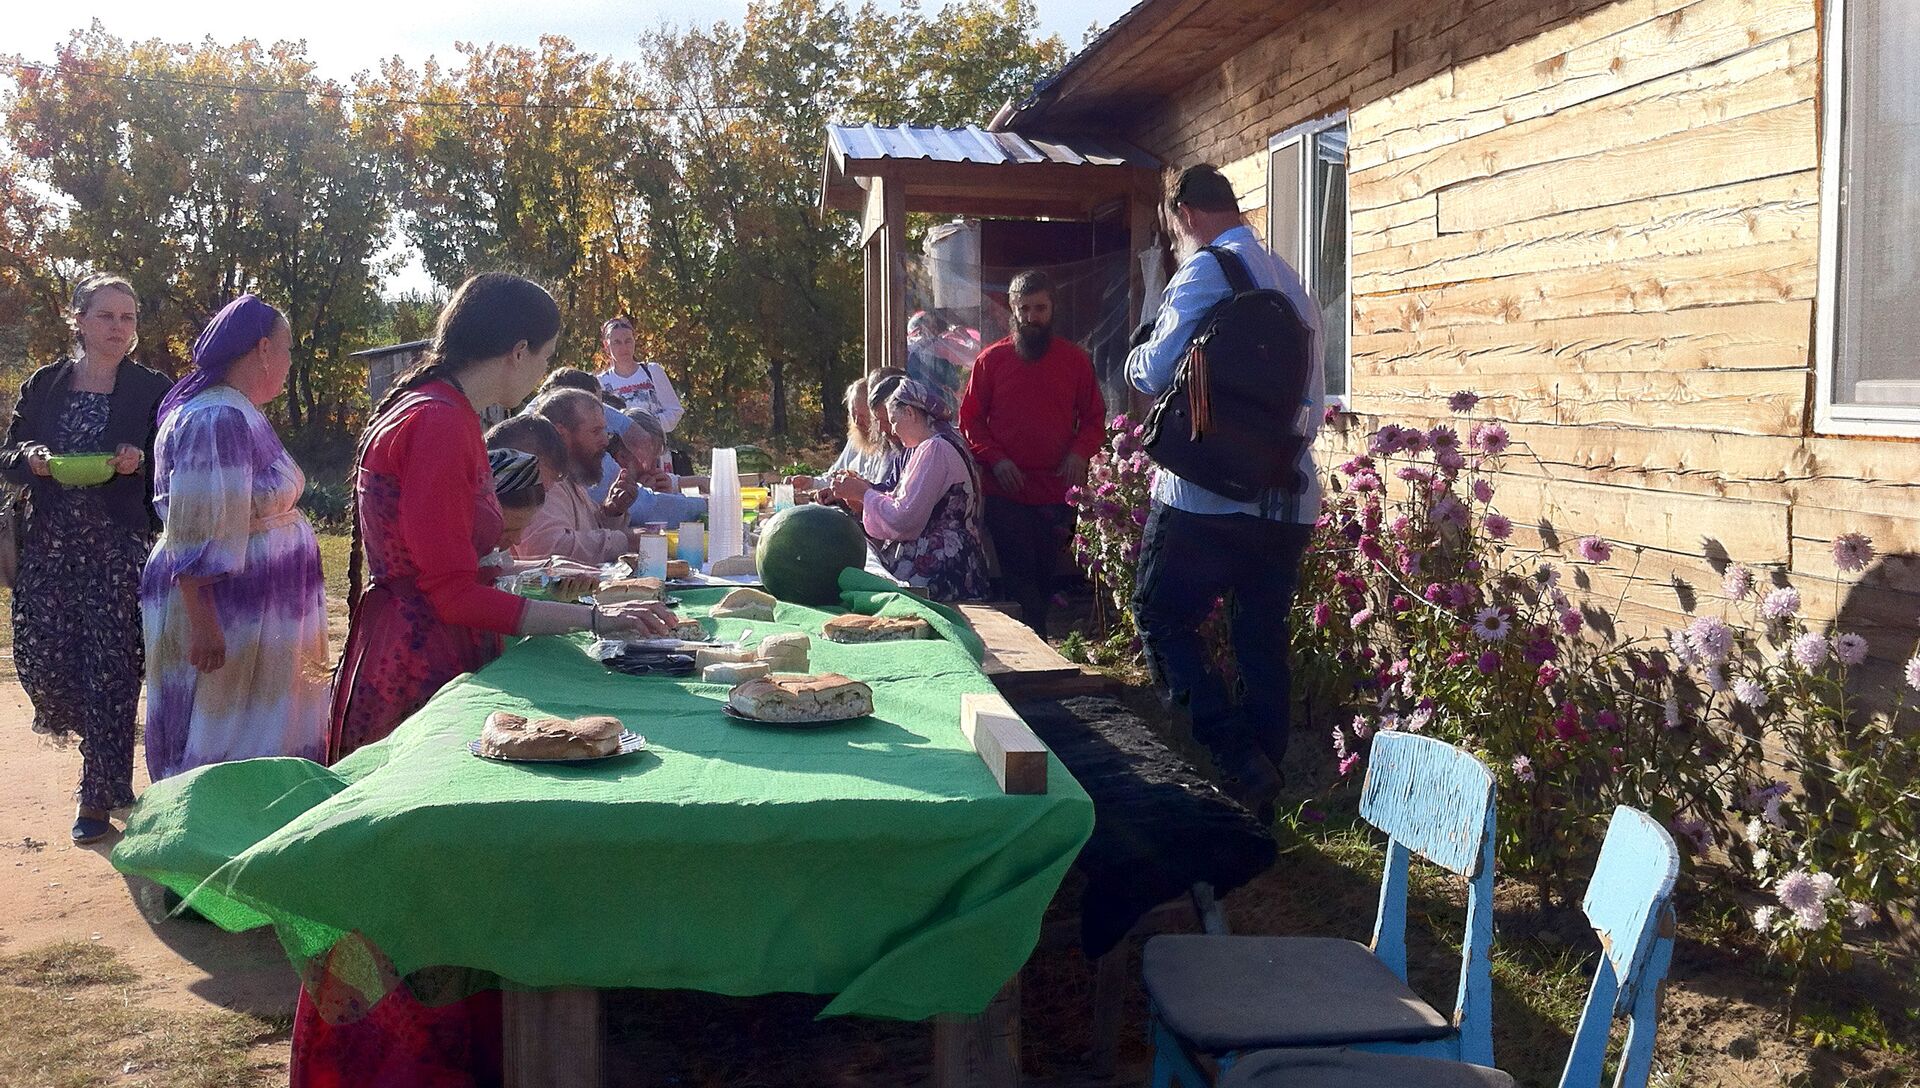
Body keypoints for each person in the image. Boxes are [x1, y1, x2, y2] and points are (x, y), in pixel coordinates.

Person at [307, 274, 672, 1088]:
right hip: (418, 664)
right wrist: (592, 620)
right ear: (515, 351)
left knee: (419, 874)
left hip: (410, 645)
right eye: (542, 358)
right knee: (422, 880)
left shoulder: (429, 408)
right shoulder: (442, 423)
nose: (539, 375)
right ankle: (407, 1067)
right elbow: (452, 590)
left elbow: (458, 561)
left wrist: (533, 573)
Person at [1125, 164, 1324, 813]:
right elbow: (1311, 406)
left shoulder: (1206, 269)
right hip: (1286, 497)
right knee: (1259, 637)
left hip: (1204, 495)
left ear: (1183, 215)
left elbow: (1153, 374)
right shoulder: (1292, 282)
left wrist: (1135, 351)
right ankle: (1265, 788)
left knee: (1161, 614)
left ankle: (1231, 758)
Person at [0, 273, 170, 844]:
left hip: (117, 548)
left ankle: (98, 795)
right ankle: (103, 744)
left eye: (128, 318)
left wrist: (139, 457)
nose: (119, 327)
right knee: (42, 662)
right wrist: (34, 457)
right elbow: (9, 454)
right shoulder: (46, 385)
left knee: (113, 672)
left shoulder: (151, 388)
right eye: (106, 316)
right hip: (48, 546)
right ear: (79, 320)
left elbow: (175, 457)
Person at [140, 295, 329, 783]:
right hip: (230, 614)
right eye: (287, 350)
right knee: (223, 734)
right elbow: (199, 523)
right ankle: (211, 846)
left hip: (253, 612)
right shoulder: (216, 417)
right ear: (264, 348)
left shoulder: (231, 411)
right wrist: (202, 621)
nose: (290, 364)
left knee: (252, 730)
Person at [959, 269, 1106, 636]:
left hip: (1057, 491)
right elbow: (971, 421)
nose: (1031, 317)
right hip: (1005, 489)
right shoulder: (990, 361)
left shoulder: (1075, 360)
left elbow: (1094, 419)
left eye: (1039, 308)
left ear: (1052, 308)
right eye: (1024, 308)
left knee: (1044, 576)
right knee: (1019, 575)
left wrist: (1079, 453)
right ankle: (1032, 649)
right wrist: (997, 458)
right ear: (1012, 308)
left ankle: (1036, 648)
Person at [830, 378, 988, 602]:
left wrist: (863, 494)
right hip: (955, 558)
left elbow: (904, 518)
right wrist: (864, 494)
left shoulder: (935, 449)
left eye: (893, 420)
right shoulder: (944, 442)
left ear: (910, 413)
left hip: (942, 567)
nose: (891, 430)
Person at [513, 387, 645, 564]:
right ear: (561, 433)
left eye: (605, 431)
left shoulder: (570, 478)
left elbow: (583, 534)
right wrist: (625, 541)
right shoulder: (541, 480)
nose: (605, 441)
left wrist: (610, 512)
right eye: (595, 431)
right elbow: (548, 548)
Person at [595, 407, 707, 526]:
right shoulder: (603, 476)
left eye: (657, 461)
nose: (655, 469)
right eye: (650, 460)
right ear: (622, 457)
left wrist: (666, 496)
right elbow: (649, 511)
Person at [595, 317, 683, 431]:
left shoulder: (653, 371)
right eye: (617, 342)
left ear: (634, 341)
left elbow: (675, 410)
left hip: (655, 444)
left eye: (628, 341)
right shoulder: (600, 383)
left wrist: (650, 426)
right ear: (607, 346)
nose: (624, 347)